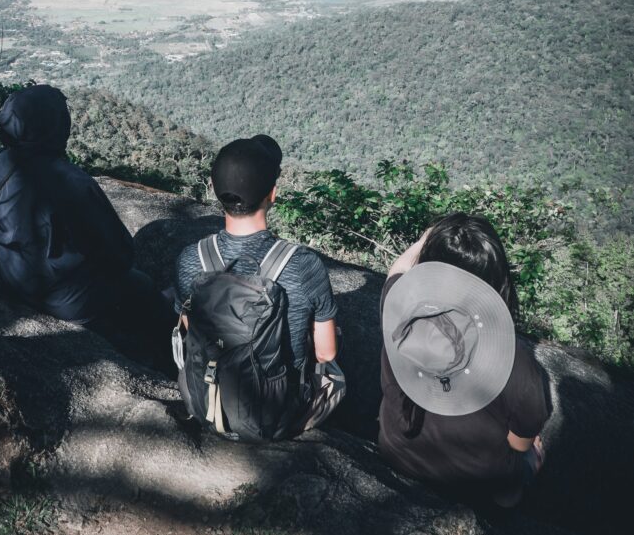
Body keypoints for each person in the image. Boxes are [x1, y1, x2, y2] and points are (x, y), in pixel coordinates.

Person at [0, 84, 173, 364]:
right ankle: (176, 364)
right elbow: (120, 253)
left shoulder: (1, 165)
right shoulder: (72, 182)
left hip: (15, 277)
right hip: (70, 301)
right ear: (56, 128)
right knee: (142, 287)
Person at [173, 135, 345, 440]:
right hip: (276, 415)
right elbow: (325, 352)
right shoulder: (304, 264)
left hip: (205, 401)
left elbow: (190, 329)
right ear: (273, 194)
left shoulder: (191, 258)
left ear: (213, 189)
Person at [379, 212, 550, 506]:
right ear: (496, 285)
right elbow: (519, 442)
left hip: (396, 450)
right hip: (472, 482)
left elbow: (399, 269)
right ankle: (504, 501)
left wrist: (429, 237)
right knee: (531, 454)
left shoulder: (399, 308)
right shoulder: (516, 365)